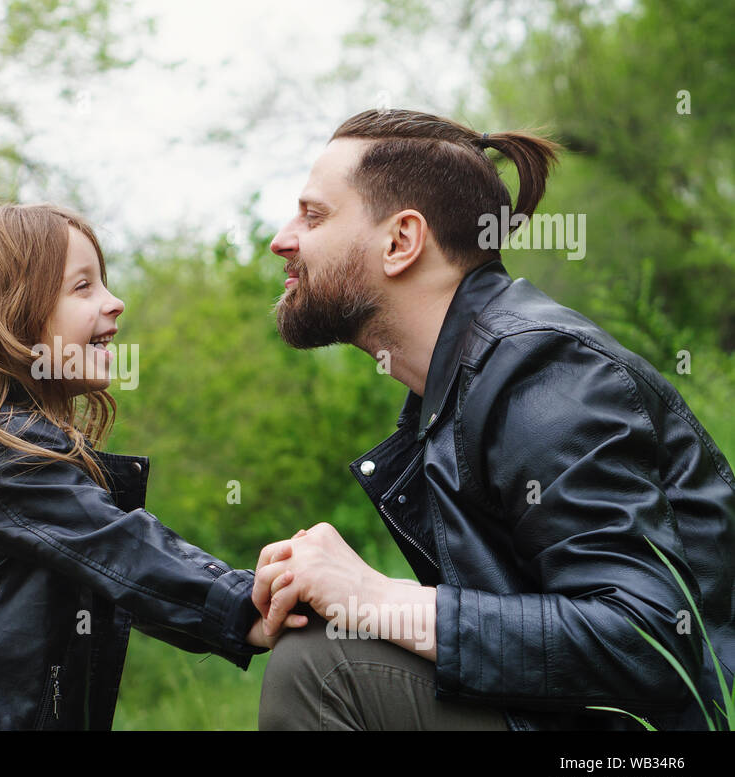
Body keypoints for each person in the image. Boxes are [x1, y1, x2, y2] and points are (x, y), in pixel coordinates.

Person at [254, 108, 735, 731]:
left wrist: (375, 597)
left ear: (401, 241)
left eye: (313, 215)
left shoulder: (544, 373)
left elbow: (649, 642)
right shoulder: (452, 390)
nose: (282, 239)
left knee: (322, 664)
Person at [0, 201, 306, 730]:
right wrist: (246, 604)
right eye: (83, 287)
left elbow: (124, 579)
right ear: (8, 313)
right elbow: (120, 548)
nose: (115, 303)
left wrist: (237, 609)